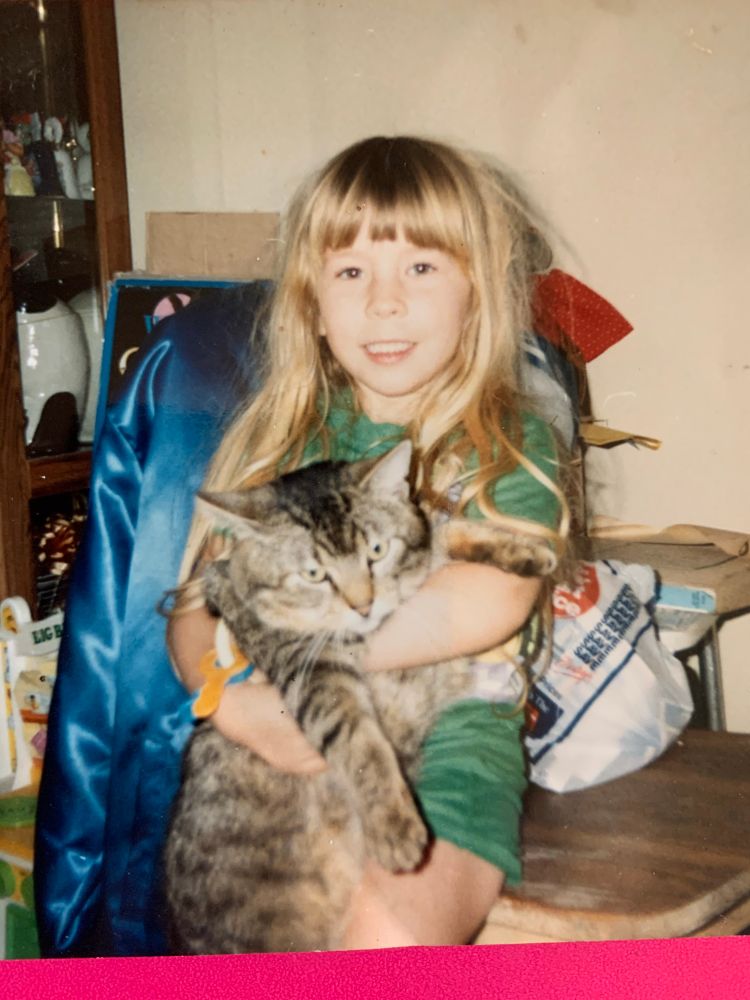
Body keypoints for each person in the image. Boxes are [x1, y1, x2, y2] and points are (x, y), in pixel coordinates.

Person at [35, 135, 570, 956]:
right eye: (351, 273)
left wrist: (306, 665)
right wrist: (225, 699)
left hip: (448, 736)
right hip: (266, 753)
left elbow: (489, 597)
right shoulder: (277, 442)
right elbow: (192, 609)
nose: (384, 303)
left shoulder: (509, 441)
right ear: (313, 304)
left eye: (420, 268)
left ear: (478, 291)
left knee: (387, 940)